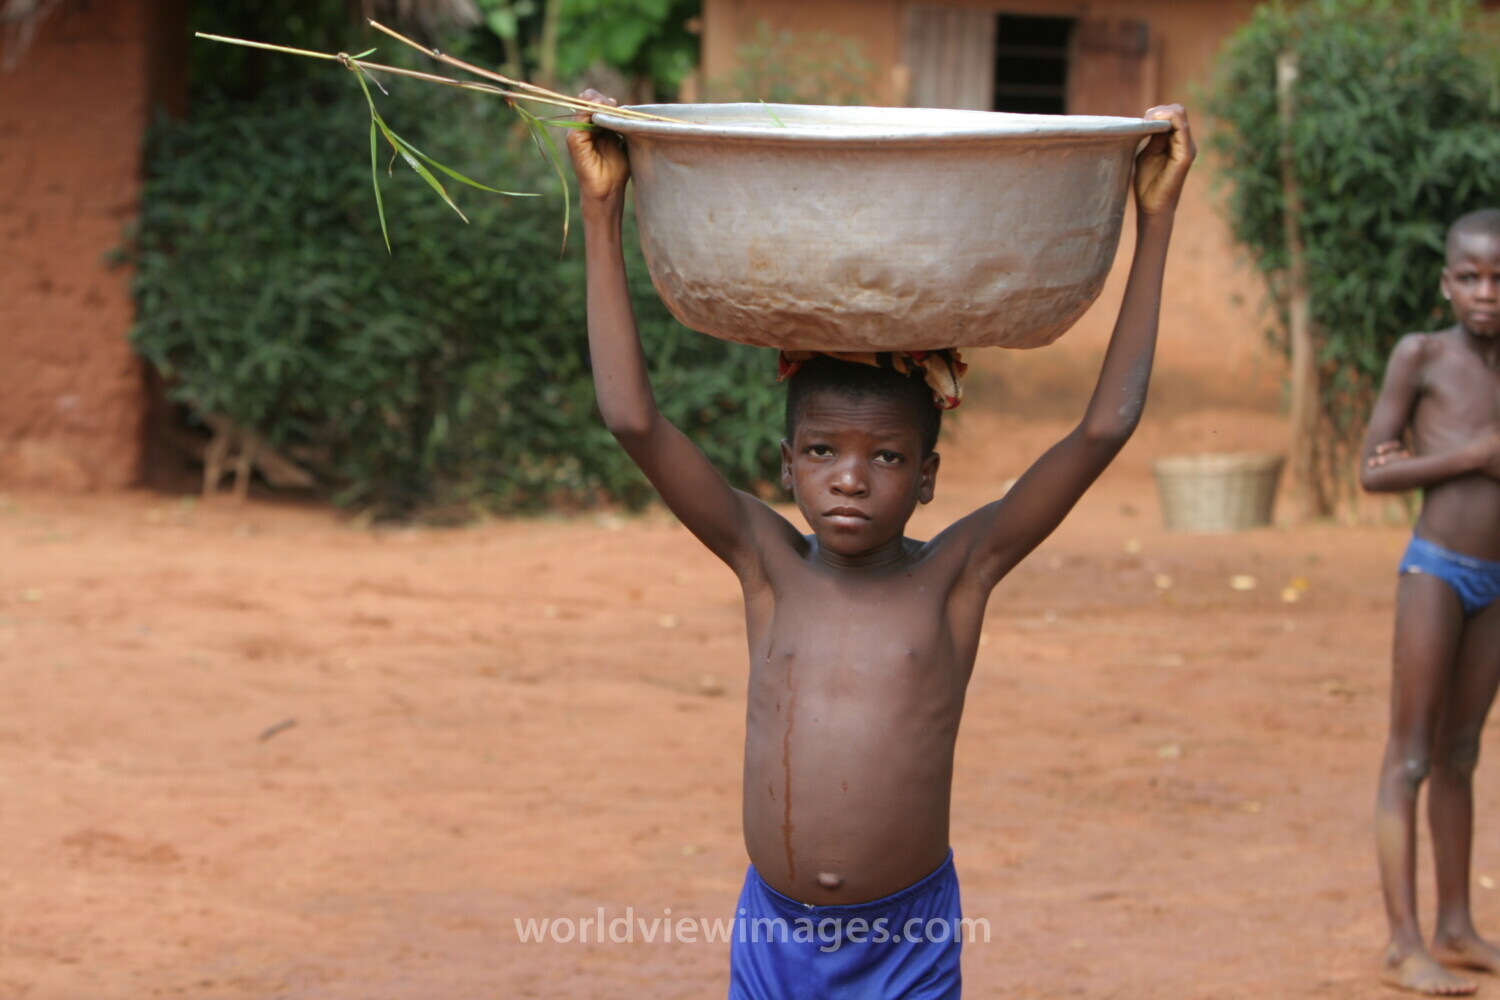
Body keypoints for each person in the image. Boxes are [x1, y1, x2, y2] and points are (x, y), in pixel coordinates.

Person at [566, 91, 1195, 999]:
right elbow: (631, 418)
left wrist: (1156, 218)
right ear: (788, 466)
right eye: (823, 451)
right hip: (772, 937)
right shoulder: (765, 561)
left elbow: (1104, 429)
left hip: (905, 944)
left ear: (929, 477)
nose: (851, 479)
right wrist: (602, 211)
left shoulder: (957, 575)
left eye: (886, 456)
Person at [1363, 207, 1500, 997]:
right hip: (1437, 573)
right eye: (1471, 277)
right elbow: (1374, 470)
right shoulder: (1423, 357)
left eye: (1498, 279)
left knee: (1462, 753)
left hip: (1496, 583)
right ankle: (1402, 941)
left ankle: (1456, 925)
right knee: (1410, 754)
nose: (1486, 293)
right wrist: (1476, 454)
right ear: (1446, 283)